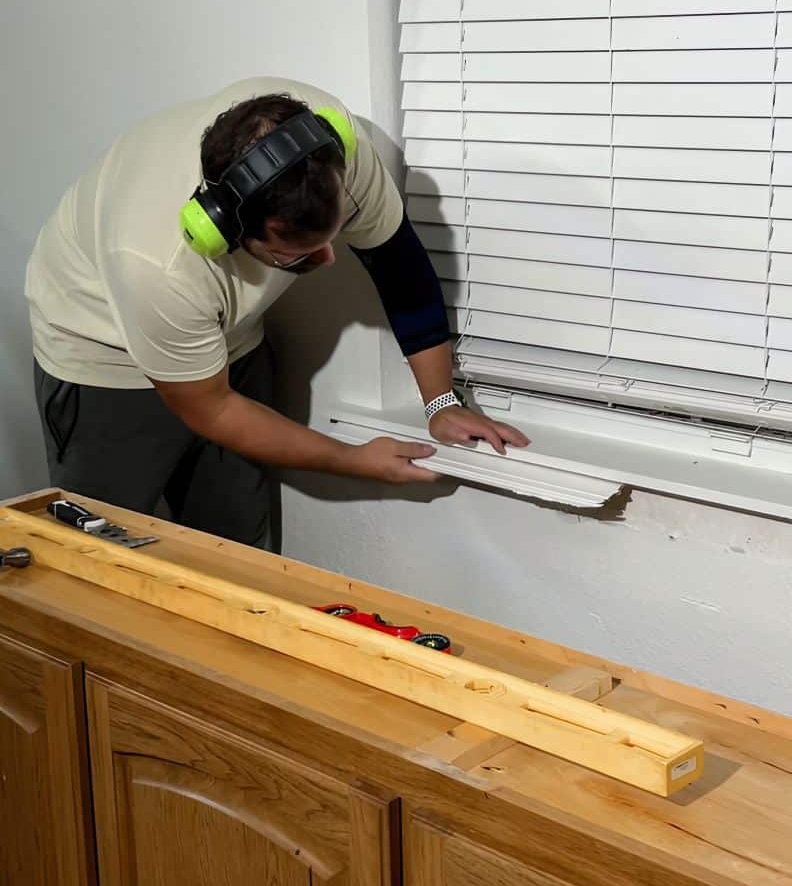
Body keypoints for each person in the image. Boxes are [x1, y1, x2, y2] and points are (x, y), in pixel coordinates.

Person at [26, 76, 528, 547]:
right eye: (298, 256)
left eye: (333, 237)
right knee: (106, 552)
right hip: (106, 366)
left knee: (238, 547)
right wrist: (355, 460)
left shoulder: (329, 155)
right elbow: (212, 408)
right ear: (221, 233)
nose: (329, 260)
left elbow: (398, 264)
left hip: (227, 343)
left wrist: (440, 403)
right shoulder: (158, 265)